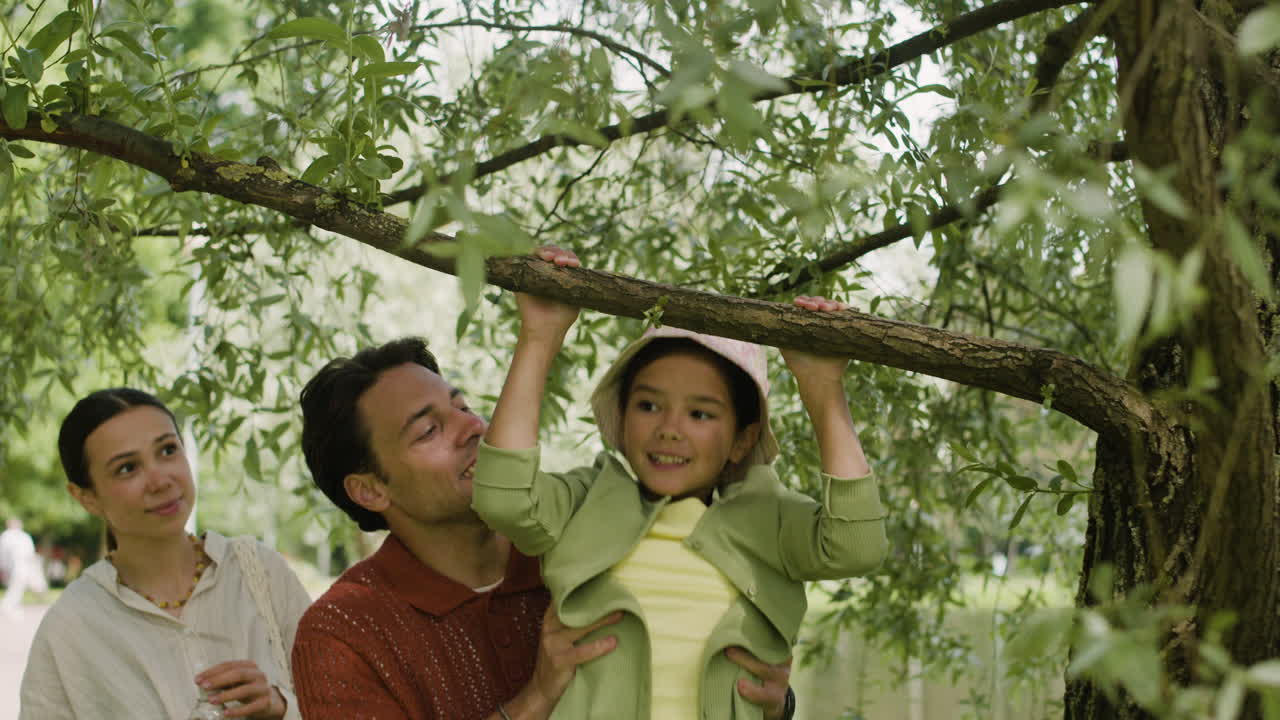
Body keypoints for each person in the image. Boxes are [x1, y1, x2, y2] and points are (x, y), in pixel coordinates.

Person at [291, 248, 795, 720]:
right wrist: (533, 700)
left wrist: (771, 700)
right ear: (370, 490)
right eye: (429, 430)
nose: (474, 428)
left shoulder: (587, 533)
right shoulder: (342, 633)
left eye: (462, 406)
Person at [472, 270, 889, 719]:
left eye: (700, 414)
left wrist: (823, 390)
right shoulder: (586, 500)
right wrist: (539, 337)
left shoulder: (767, 517)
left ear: (741, 441)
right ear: (623, 417)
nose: (669, 429)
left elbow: (856, 547)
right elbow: (503, 498)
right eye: (648, 405)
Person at [19, 388, 312, 720]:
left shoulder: (260, 572)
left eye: (168, 450)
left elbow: (347, 701)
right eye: (128, 468)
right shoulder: (72, 626)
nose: (160, 480)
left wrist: (281, 707)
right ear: (87, 498)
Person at [0, 517, 43, 617]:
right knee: (16, 585)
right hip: (15, 565)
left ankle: (12, 605)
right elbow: (3, 554)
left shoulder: (23, 536)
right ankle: (8, 605)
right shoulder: (7, 536)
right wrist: (3, 567)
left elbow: (30, 552)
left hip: (26, 564)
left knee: (21, 585)